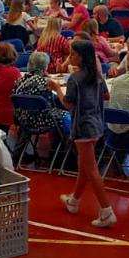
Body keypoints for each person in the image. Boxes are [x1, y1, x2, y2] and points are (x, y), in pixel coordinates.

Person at [51, 40, 116, 228]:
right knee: (84, 165)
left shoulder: (75, 79)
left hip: (82, 126)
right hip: (96, 123)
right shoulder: (96, 76)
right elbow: (106, 96)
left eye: (72, 54)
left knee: (92, 169)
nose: (70, 57)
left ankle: (106, 210)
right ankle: (74, 200)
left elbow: (68, 104)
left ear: (81, 56)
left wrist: (56, 89)